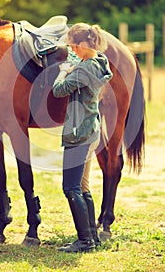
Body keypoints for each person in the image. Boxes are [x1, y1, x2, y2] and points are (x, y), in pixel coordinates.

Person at [52, 23, 113, 253]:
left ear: (86, 44)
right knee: (84, 186)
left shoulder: (82, 70)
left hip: (78, 135)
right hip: (91, 131)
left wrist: (63, 71)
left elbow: (59, 90)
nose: (73, 50)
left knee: (71, 188)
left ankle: (85, 241)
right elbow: (84, 65)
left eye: (75, 46)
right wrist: (76, 63)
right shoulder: (100, 62)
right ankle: (93, 238)